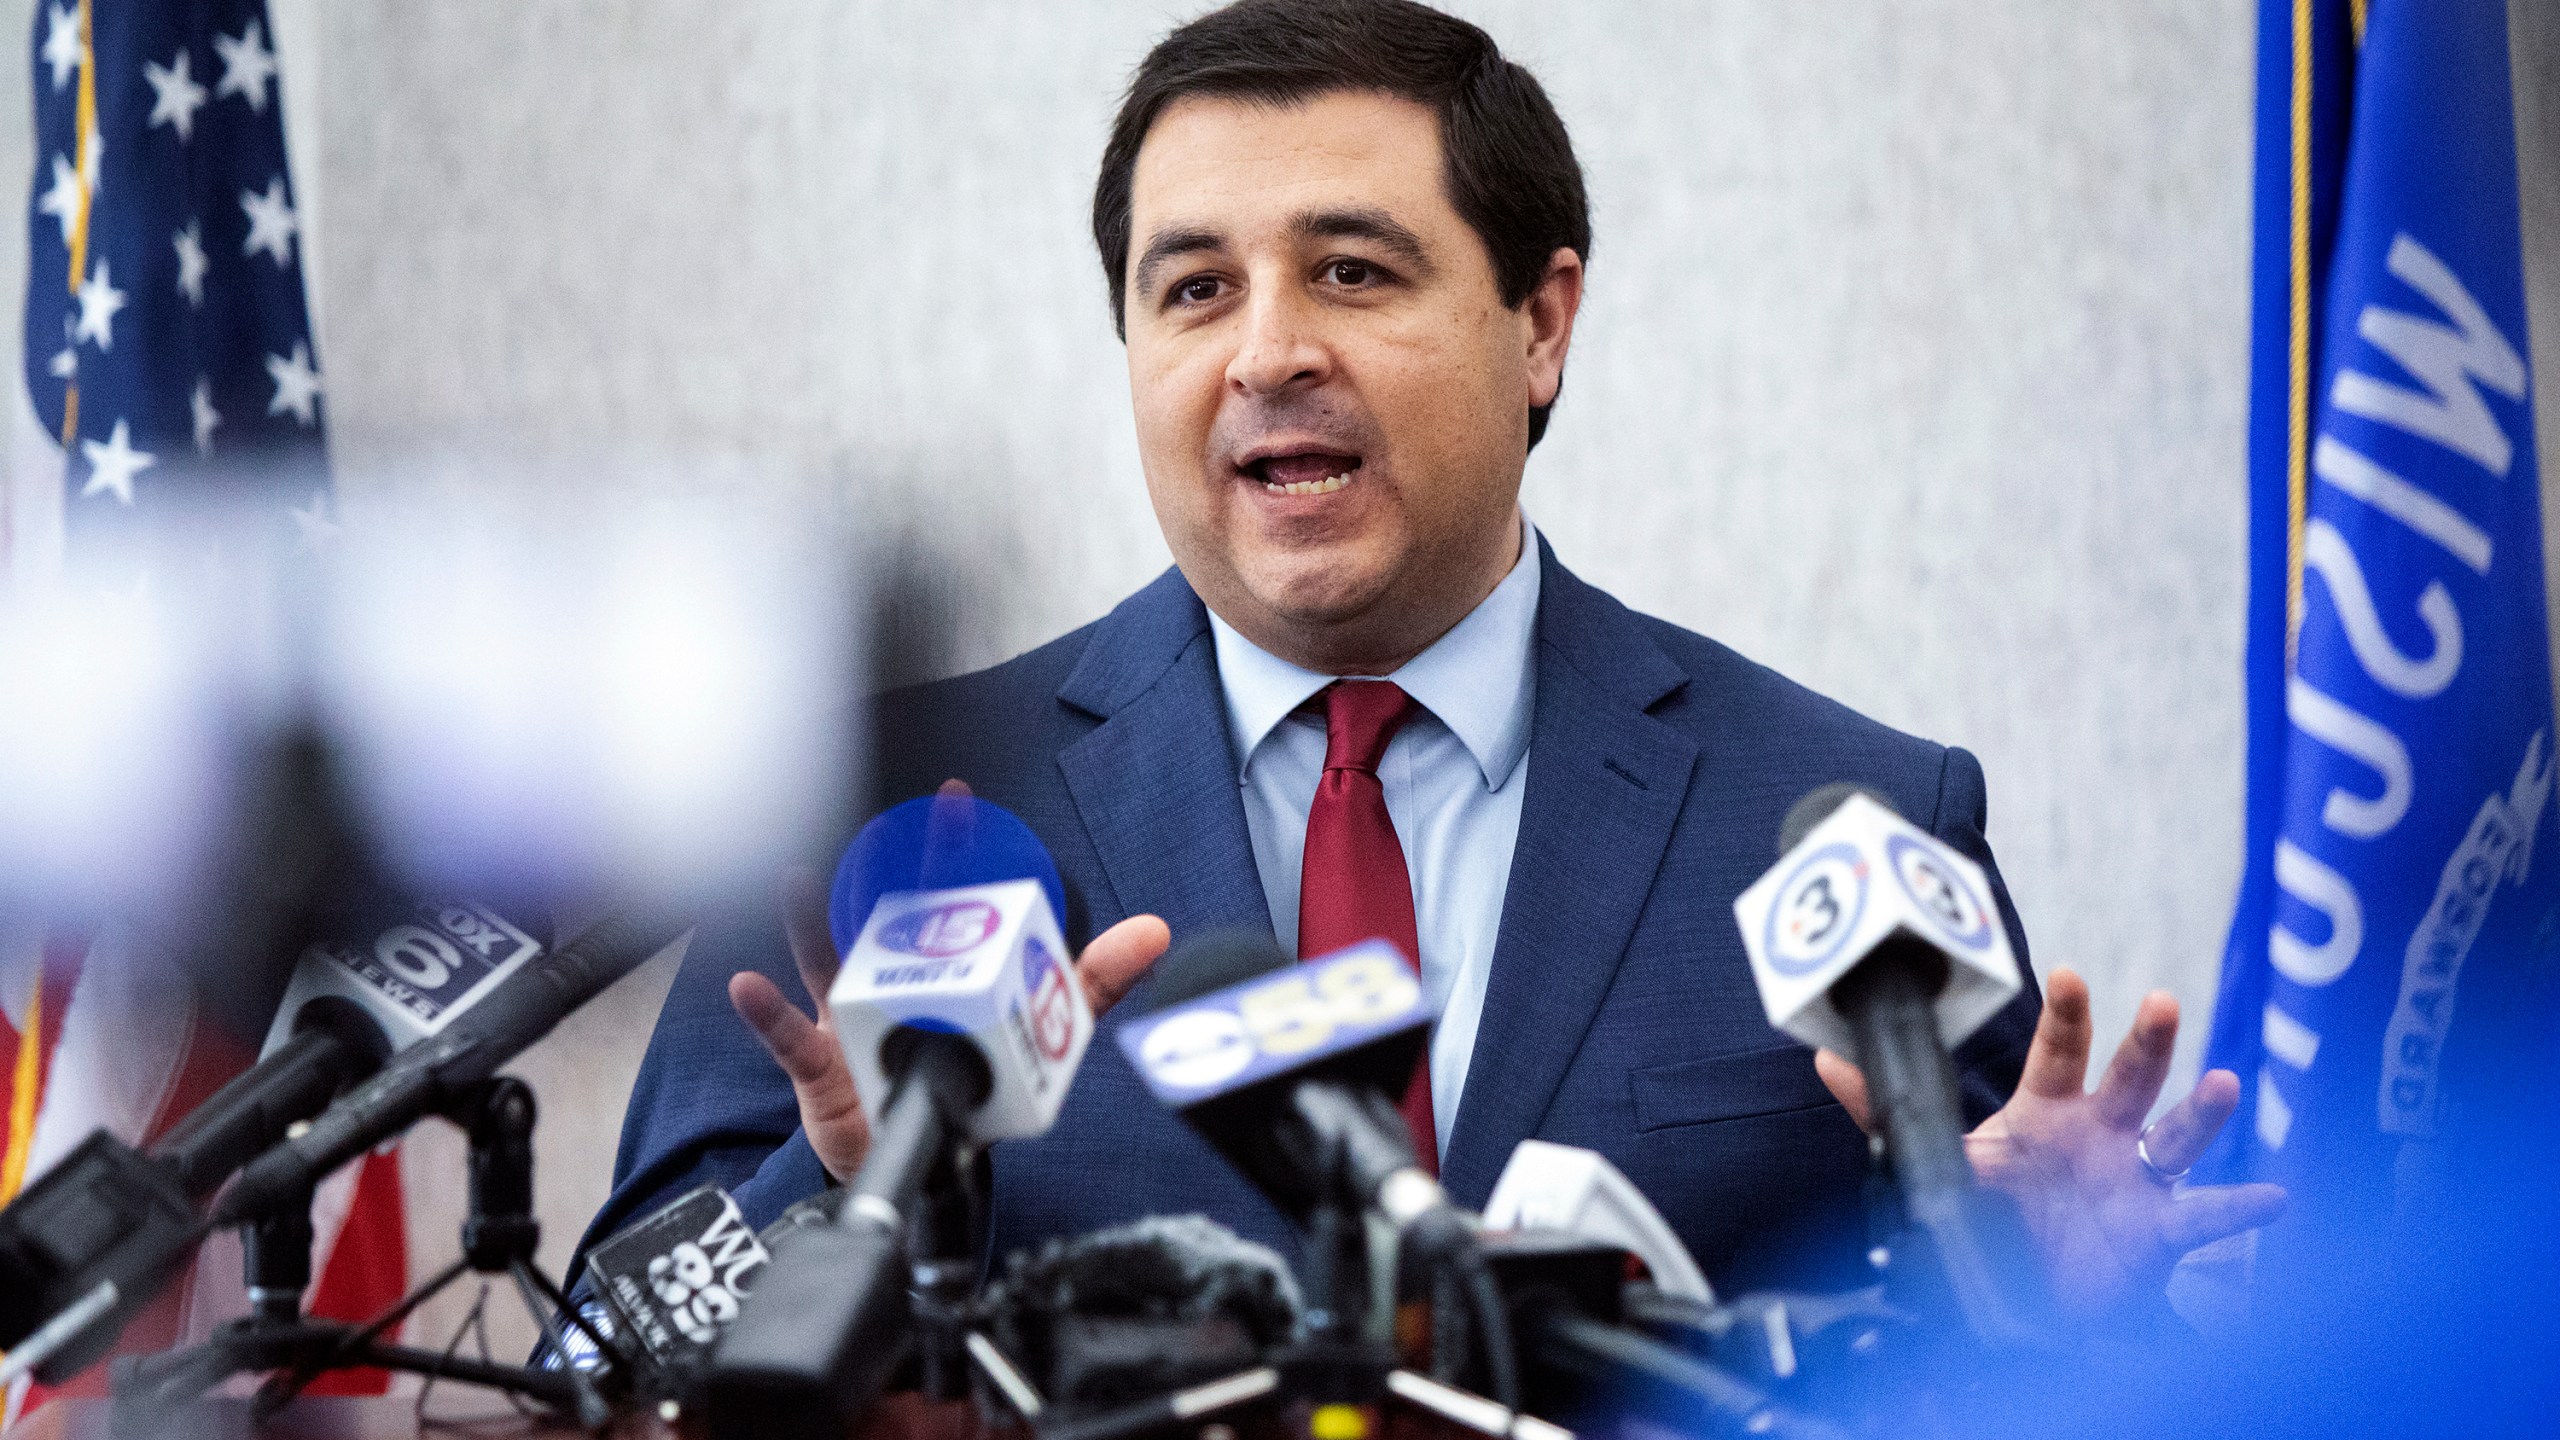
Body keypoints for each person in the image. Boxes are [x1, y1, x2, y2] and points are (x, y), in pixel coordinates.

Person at [582, 0, 2281, 1316]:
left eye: (1349, 269)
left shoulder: (1845, 821)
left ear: (1540, 324)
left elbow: (1988, 1318)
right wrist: (835, 1206)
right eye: (1191, 291)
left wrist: (2045, 1329)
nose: (1266, 353)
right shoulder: (881, 811)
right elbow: (600, 1348)